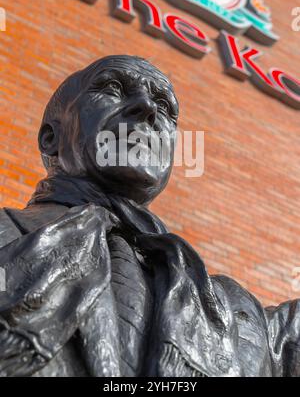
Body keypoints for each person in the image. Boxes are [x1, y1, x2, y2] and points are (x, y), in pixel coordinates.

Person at [0, 55, 299, 377]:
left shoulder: (236, 314)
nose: (147, 108)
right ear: (51, 137)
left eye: (165, 107)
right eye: (113, 87)